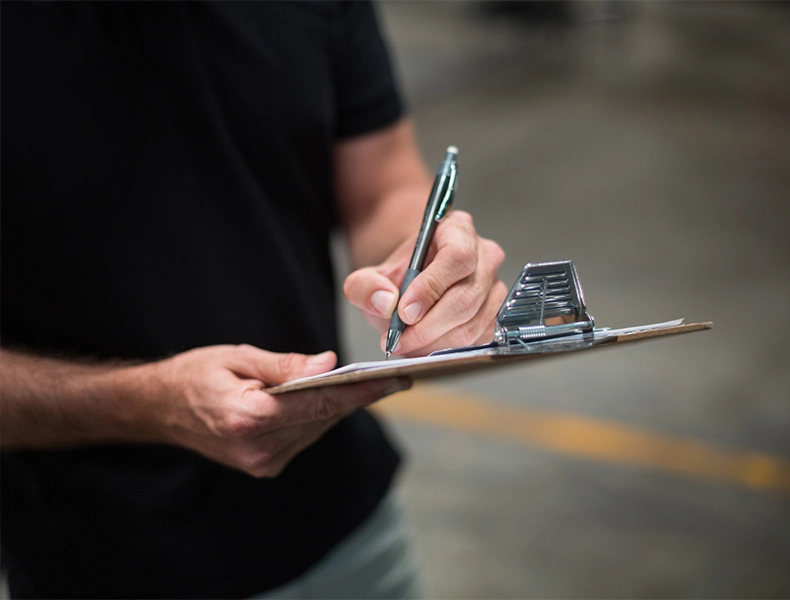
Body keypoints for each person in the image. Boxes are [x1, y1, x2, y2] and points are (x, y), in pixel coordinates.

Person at [0, 2, 506, 598]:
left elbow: (382, 183)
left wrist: (421, 257)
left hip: (347, 538)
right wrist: (140, 403)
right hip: (95, 562)